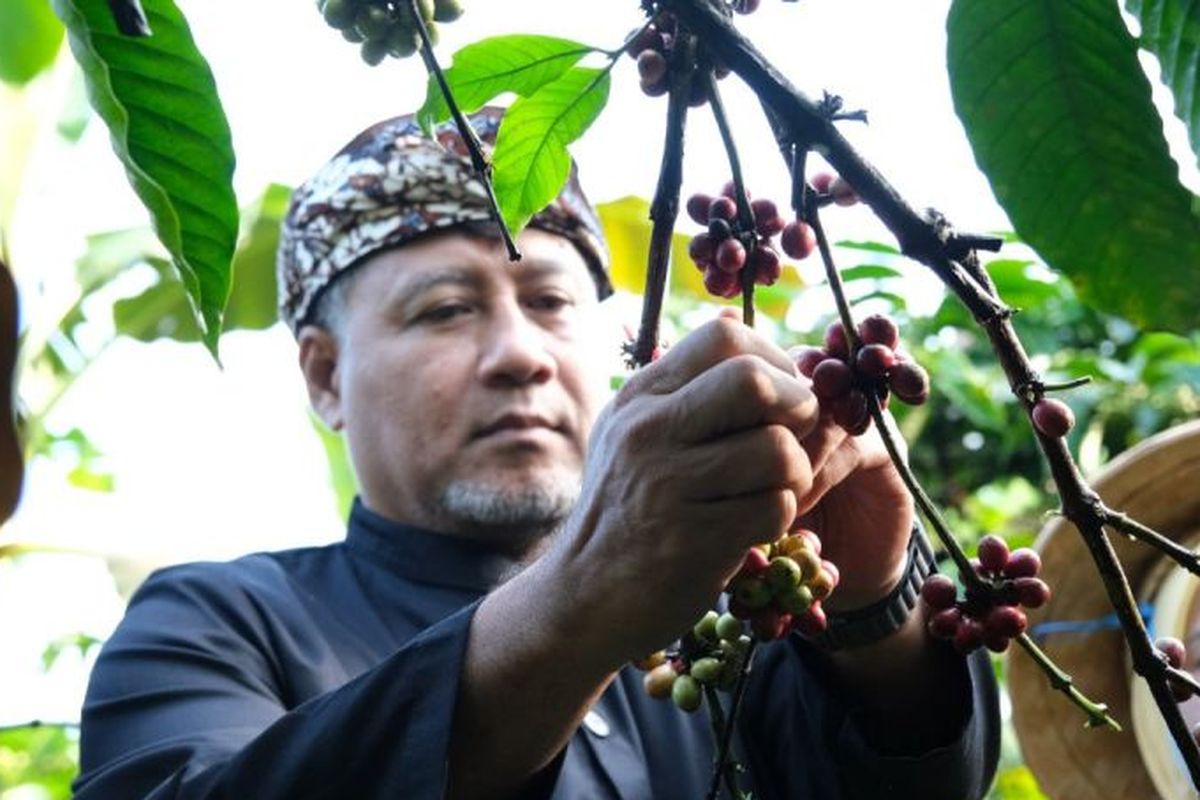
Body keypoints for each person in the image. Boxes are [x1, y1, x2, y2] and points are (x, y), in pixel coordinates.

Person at [72, 108, 999, 799]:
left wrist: (873, 609)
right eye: (444, 309)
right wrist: (583, 599)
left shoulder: (724, 621)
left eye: (552, 303)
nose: (521, 353)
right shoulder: (217, 623)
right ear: (324, 378)